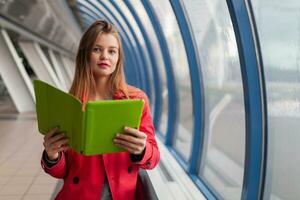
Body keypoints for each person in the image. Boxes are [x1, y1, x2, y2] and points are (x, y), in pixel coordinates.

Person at [41, 20, 160, 200]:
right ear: (85, 54)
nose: (105, 56)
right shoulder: (70, 103)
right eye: (97, 49)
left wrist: (142, 150)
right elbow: (62, 172)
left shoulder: (136, 99)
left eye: (112, 51)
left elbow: (154, 158)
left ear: (118, 57)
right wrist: (52, 155)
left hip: (123, 195)